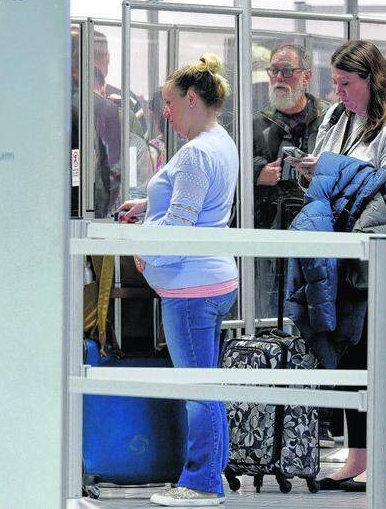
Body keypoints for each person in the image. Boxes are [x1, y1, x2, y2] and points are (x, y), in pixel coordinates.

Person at [289, 40, 386, 491]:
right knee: (348, 350)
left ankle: (383, 457)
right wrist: (314, 171)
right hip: (339, 255)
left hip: (381, 262)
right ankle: (357, 456)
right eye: (336, 83)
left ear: (371, 80)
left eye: (347, 84)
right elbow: (331, 174)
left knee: (378, 357)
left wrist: (333, 170)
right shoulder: (335, 118)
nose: (338, 92)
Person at [115, 54, 238, 507]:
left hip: (191, 289)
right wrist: (148, 208)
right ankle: (209, 475)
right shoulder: (220, 142)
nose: (164, 112)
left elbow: (180, 231)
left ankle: (202, 483)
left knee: (196, 389)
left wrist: (138, 247)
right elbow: (196, 208)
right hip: (214, 279)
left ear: (191, 98)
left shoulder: (195, 153)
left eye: (168, 102)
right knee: (207, 386)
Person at [252, 44, 330, 320]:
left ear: (306, 76)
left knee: (315, 308)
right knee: (268, 312)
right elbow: (230, 171)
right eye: (273, 71)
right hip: (269, 232)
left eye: (287, 71)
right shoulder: (255, 124)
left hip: (318, 232)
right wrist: (257, 174)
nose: (278, 78)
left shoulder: (329, 121)